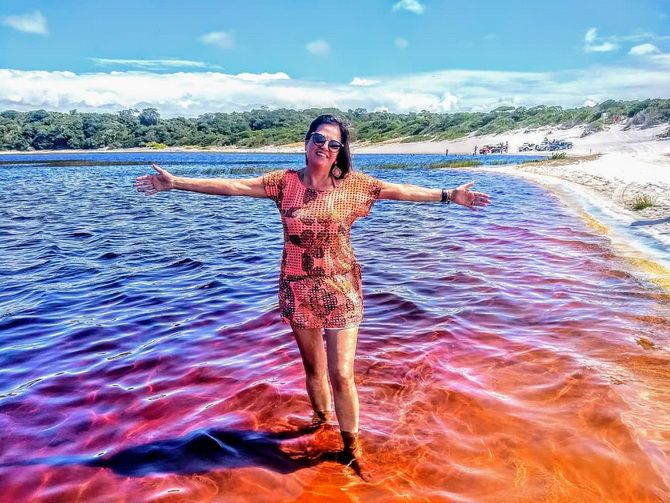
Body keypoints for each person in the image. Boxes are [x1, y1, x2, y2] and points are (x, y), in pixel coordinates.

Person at [134, 114, 491, 481]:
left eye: (334, 144)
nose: (325, 147)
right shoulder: (282, 183)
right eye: (319, 139)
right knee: (314, 370)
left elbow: (401, 191)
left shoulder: (354, 185)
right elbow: (234, 186)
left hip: (341, 290)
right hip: (297, 288)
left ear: (340, 152)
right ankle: (320, 423)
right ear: (306, 142)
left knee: (341, 374)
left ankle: (352, 449)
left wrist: (450, 196)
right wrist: (176, 183)